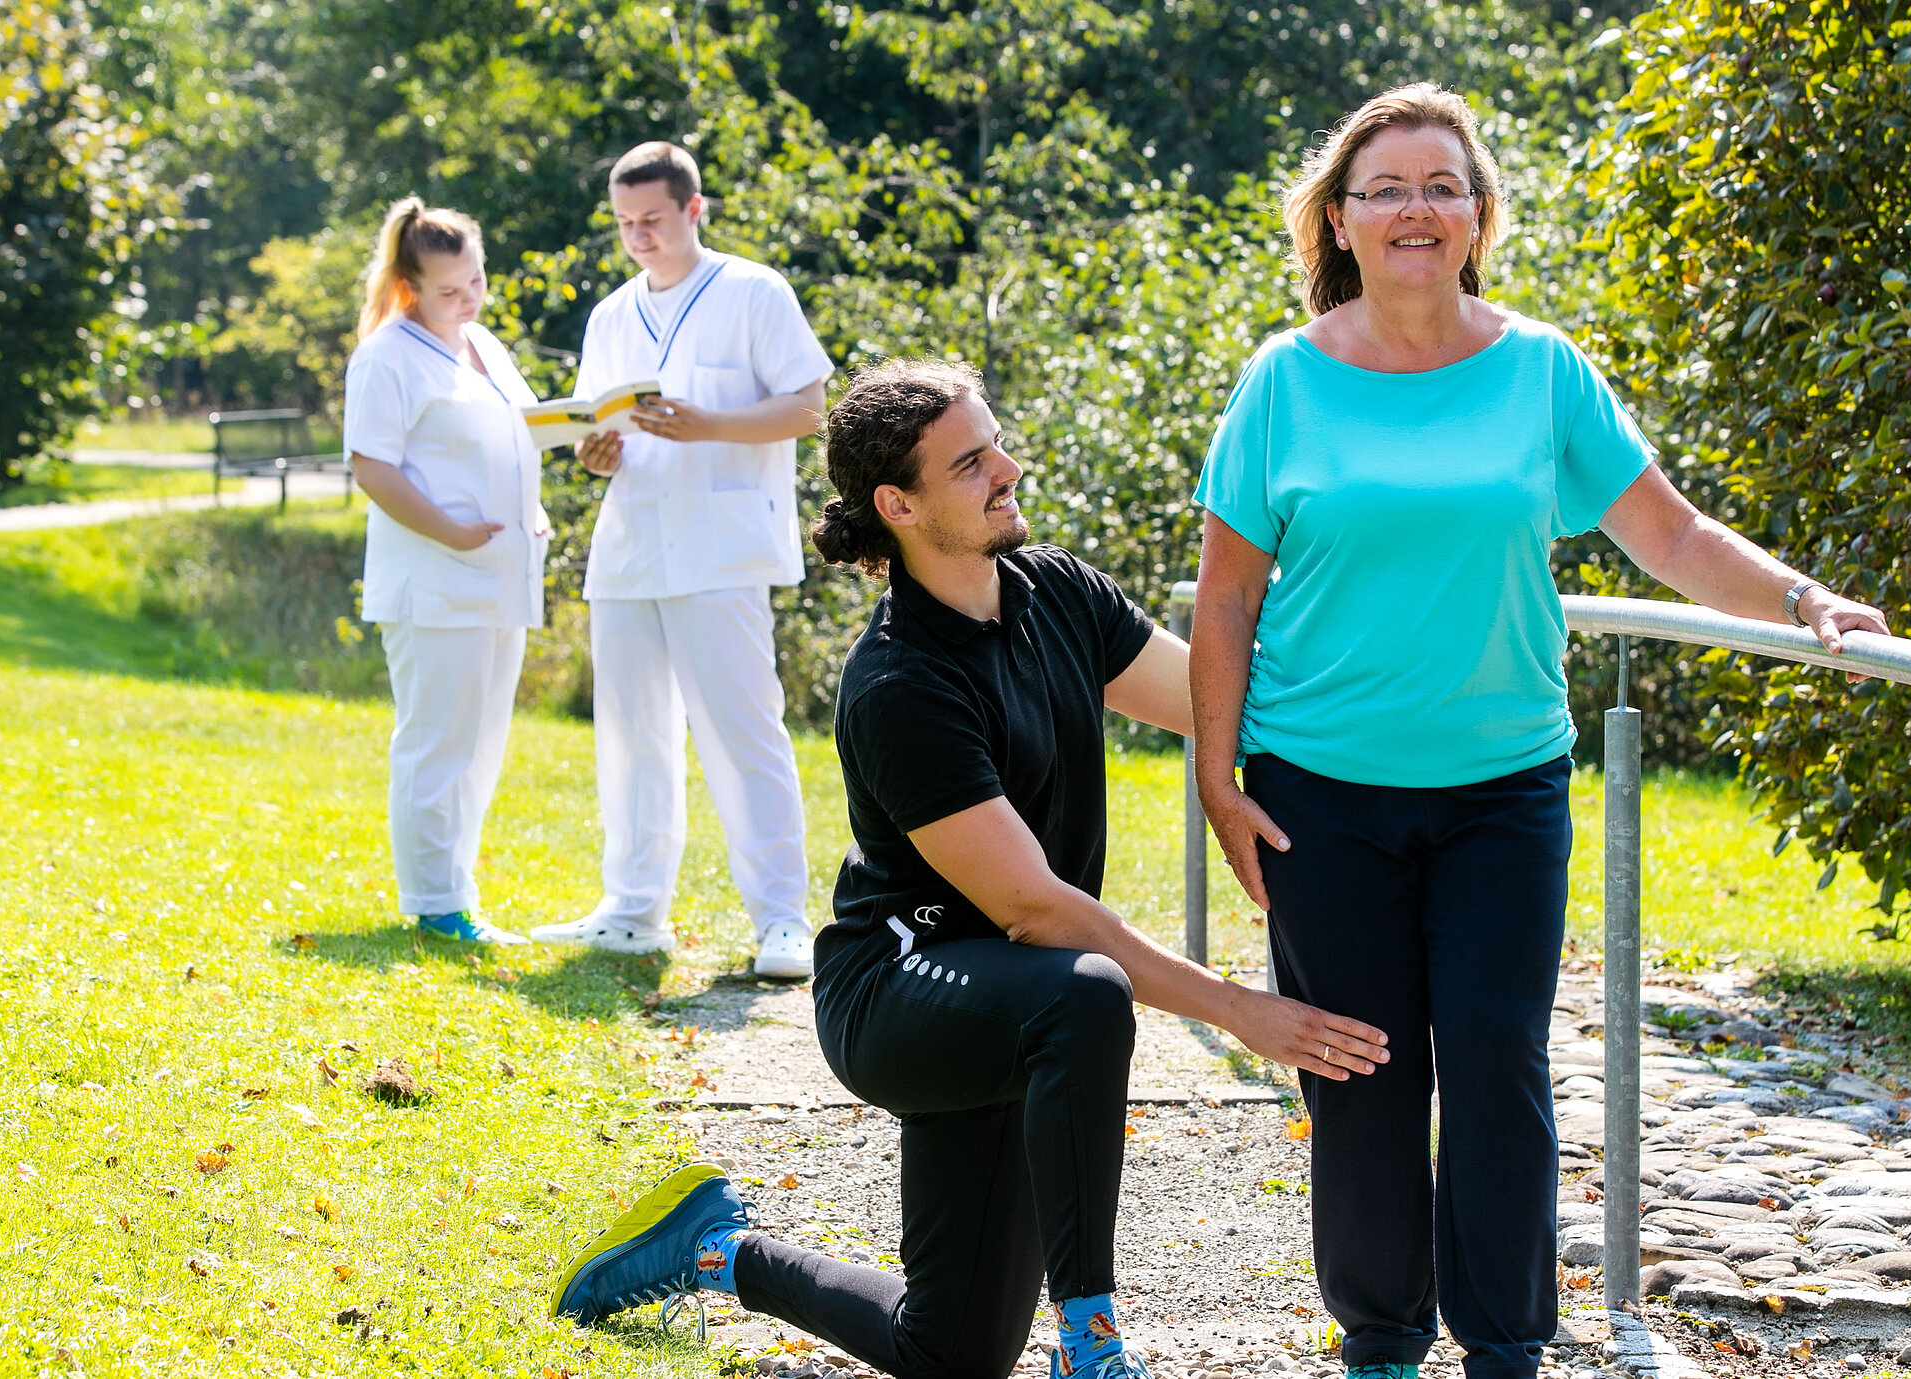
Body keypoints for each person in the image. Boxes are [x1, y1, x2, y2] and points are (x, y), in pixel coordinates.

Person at [1188, 85, 1893, 1379]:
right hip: (1318, 789)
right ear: (1341, 220)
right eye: (1386, 188)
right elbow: (1226, 595)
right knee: (1358, 1068)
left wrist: (1803, 597)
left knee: (1497, 1057)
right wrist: (1215, 778)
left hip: (1501, 791)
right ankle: (1382, 1343)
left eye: (1440, 186)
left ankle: (1507, 1346)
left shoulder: (1543, 370)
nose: (1414, 209)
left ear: (1478, 215)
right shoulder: (1283, 381)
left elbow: (1670, 532)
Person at [547, 360, 1391, 1379]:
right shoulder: (899, 681)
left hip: (1020, 998)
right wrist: (1237, 1007)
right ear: (897, 505)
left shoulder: (1059, 593)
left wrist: (1408, 693)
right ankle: (1092, 1342)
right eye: (970, 463)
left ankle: (713, 1246)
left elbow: (1226, 700)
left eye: (994, 444)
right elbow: (1032, 907)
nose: (1007, 469)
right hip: (899, 990)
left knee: (949, 1354)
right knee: (1086, 991)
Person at [529, 141, 832, 979]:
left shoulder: (753, 291)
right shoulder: (611, 314)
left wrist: (711, 426)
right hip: (630, 545)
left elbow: (809, 408)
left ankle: (782, 920)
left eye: (653, 219)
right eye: (626, 222)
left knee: (742, 732)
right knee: (630, 734)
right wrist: (594, 454)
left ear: (694, 209)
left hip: (723, 545)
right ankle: (632, 911)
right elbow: (601, 426)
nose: (639, 236)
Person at [342, 196, 550, 947]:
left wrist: (532, 505)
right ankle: (435, 902)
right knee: (437, 743)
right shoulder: (386, 355)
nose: (469, 300)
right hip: (435, 580)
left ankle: (458, 895)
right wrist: (454, 533)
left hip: (501, 576)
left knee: (482, 745)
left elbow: (518, 437)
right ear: (408, 286)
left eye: (476, 281)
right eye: (449, 290)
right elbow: (372, 467)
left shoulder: (483, 344)